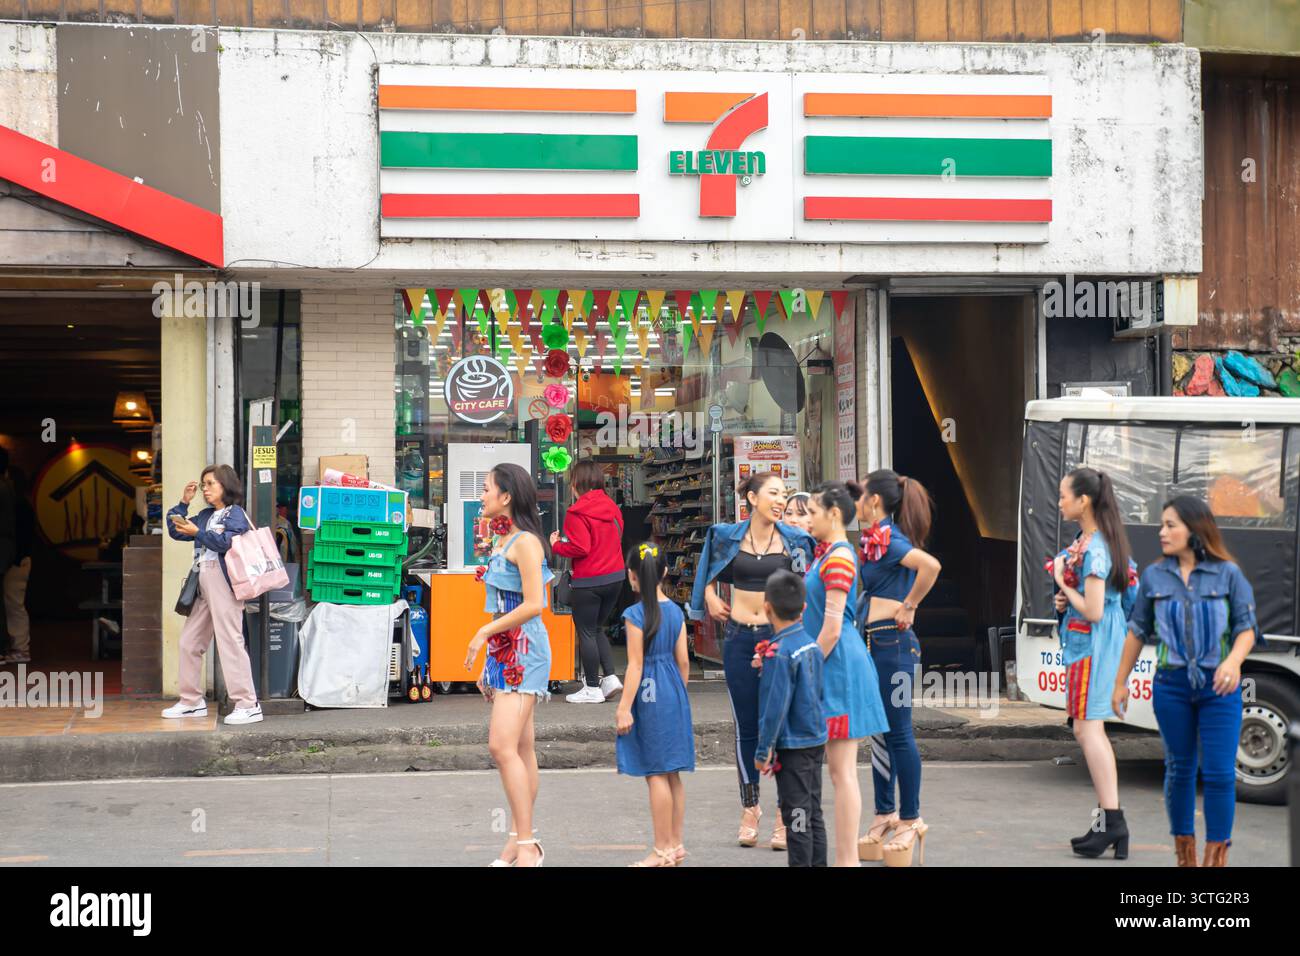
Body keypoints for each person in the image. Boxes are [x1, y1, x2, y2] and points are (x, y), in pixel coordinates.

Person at [1113, 496, 1258, 867]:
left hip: (1219, 688)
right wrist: (1120, 682)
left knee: (1220, 773)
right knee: (1179, 768)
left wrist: (1233, 661)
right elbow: (1136, 631)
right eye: (1162, 524)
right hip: (1171, 686)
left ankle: (1216, 858)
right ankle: (1186, 857)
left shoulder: (1228, 574)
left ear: (1195, 530)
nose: (1162, 532)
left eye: (1170, 525)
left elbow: (1247, 629)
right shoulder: (1154, 576)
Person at [689, 471, 815, 850]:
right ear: (753, 498)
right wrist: (709, 596)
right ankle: (750, 807)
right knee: (746, 727)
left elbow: (811, 587)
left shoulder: (795, 541)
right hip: (740, 639)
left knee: (779, 725)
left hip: (779, 641)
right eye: (774, 493)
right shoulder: (726, 535)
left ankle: (781, 812)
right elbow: (707, 571)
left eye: (785, 495)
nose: (781, 501)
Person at [463, 463, 553, 868]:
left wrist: (484, 633)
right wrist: (488, 654)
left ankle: (528, 844)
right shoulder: (505, 541)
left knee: (501, 746)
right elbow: (505, 604)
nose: (481, 496)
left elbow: (536, 604)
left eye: (485, 489)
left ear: (506, 497)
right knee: (521, 747)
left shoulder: (526, 544)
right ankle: (517, 842)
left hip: (524, 653)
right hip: (505, 652)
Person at [798, 482, 890, 865]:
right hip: (833, 664)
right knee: (840, 771)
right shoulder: (832, 554)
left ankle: (847, 859)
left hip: (836, 668)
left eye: (813, 513)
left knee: (842, 772)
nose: (807, 520)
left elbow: (832, 629)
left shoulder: (837, 557)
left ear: (834, 514)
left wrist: (804, 667)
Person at [854, 469, 941, 867]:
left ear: (874, 501)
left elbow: (931, 566)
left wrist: (911, 605)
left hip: (895, 643)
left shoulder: (893, 541)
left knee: (900, 733)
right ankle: (884, 812)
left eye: (860, 496)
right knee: (881, 733)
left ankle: (910, 818)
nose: (854, 503)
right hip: (877, 642)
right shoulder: (879, 540)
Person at [1049, 467, 1134, 860]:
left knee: (1089, 731)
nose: (1060, 501)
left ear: (1083, 501)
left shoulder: (1094, 548)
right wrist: (1067, 598)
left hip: (1093, 647)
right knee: (1088, 731)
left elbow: (1096, 610)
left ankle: (1112, 822)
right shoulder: (1093, 541)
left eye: (1065, 495)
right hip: (1089, 644)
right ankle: (1108, 823)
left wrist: (1064, 584)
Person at [615, 542, 694, 867]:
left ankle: (661, 850)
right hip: (673, 691)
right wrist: (677, 692)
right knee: (673, 773)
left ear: (632, 575)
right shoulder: (676, 611)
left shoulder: (634, 615)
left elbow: (635, 665)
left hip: (647, 693)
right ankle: (675, 844)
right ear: (664, 572)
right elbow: (684, 662)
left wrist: (623, 707)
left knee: (656, 774)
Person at [163, 465, 262, 725]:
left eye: (210, 484)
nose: (205, 489)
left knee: (230, 641)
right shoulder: (206, 515)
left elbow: (225, 543)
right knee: (189, 642)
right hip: (203, 580)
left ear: (225, 486)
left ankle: (247, 703)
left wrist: (198, 533)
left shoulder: (235, 514)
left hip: (224, 581)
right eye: (203, 484)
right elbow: (175, 530)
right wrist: (183, 503)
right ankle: (191, 701)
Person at [754, 570, 827, 867]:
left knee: (795, 817)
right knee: (813, 813)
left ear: (766, 606)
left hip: (792, 746)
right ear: (804, 608)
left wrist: (763, 750)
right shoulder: (812, 645)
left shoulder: (779, 653)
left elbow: (775, 706)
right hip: (814, 740)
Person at [551, 459, 625, 704]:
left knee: (585, 632)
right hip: (615, 578)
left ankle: (592, 687)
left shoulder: (576, 512)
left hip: (588, 582)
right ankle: (611, 677)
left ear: (576, 483)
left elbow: (580, 548)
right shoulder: (613, 508)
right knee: (596, 628)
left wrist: (556, 545)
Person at [1, 467, 34, 664]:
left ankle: (21, 648)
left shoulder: (17, 505)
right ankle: (19, 647)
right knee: (13, 604)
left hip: (16, 561)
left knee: (13, 604)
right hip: (19, 559)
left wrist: (14, 558)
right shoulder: (22, 504)